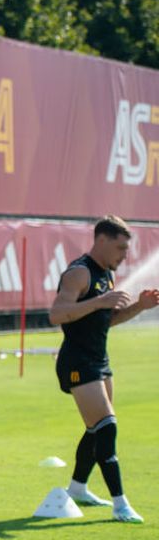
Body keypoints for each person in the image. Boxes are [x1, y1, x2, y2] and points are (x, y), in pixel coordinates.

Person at [49, 215, 159, 522]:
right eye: (120, 247)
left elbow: (106, 320)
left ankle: (78, 488)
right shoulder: (79, 272)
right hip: (77, 362)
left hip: (99, 360)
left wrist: (139, 306)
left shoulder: (105, 275)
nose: (125, 255)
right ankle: (120, 503)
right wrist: (99, 302)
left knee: (95, 431)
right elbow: (56, 314)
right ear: (101, 240)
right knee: (107, 427)